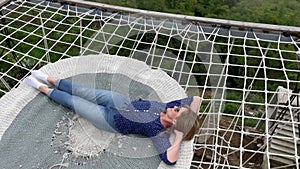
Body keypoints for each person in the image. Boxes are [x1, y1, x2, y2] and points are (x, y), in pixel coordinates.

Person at [25, 70, 202, 165]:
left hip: (110, 120)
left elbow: (170, 160)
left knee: (75, 102)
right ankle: (49, 78)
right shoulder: (166, 107)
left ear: (175, 121)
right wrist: (189, 119)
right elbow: (196, 99)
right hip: (121, 101)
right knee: (82, 91)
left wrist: (179, 136)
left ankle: (43, 89)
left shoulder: (157, 131)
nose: (175, 106)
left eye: (177, 111)